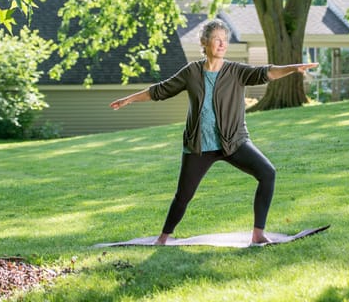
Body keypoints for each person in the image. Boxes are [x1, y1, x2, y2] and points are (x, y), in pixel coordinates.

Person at [110, 18, 318, 245]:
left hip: (234, 142)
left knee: (267, 173)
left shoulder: (236, 71)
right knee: (183, 196)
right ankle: (162, 239)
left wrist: (292, 68)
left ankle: (258, 234)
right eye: (217, 40)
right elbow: (161, 90)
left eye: (225, 40)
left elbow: (265, 73)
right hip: (199, 145)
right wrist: (130, 99)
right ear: (204, 43)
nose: (222, 44)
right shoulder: (192, 72)